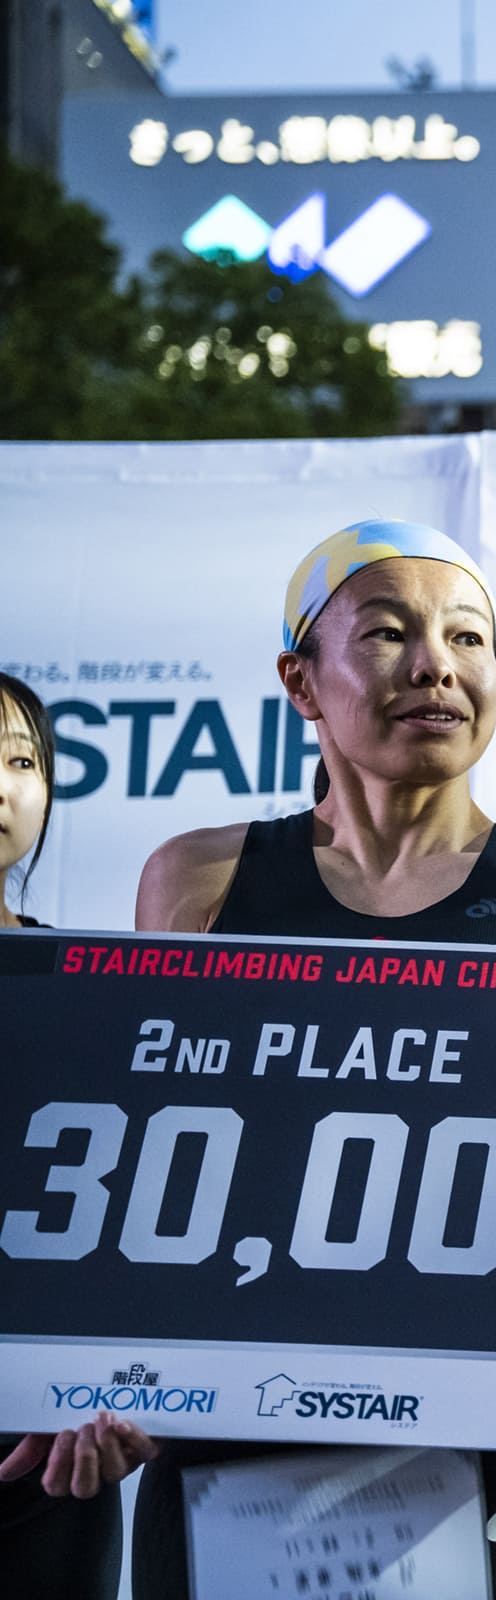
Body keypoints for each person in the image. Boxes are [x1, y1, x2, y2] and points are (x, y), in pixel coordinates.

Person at [120, 519, 496, 1600]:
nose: (436, 665)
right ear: (301, 680)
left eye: (469, 637)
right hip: (229, 1429)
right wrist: (102, 1378)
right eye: (390, 632)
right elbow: (149, 1165)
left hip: (475, 1438)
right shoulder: (199, 882)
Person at [0, 669, 135, 1600]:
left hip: (53, 1454)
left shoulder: (90, 992)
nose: (3, 787)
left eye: (22, 762)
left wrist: (114, 1389)